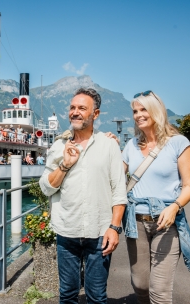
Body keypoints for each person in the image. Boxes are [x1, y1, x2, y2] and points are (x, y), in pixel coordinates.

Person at [39, 88, 127, 303]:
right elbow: (46, 187)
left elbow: (119, 190)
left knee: (96, 295)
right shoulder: (59, 146)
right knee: (67, 295)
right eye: (72, 107)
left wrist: (114, 228)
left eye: (81, 108)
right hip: (67, 231)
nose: (75, 112)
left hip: (100, 233)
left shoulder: (109, 145)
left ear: (95, 114)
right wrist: (65, 166)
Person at [122, 90, 190, 304]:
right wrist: (106, 143)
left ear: (156, 111)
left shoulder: (178, 143)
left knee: (160, 291)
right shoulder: (131, 145)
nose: (138, 115)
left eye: (143, 109)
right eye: (135, 111)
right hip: (135, 223)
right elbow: (114, 178)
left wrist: (174, 207)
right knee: (140, 285)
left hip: (167, 223)